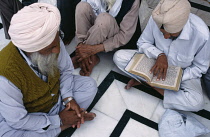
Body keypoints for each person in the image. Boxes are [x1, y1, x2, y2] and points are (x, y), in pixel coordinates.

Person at [0, 3, 97, 137]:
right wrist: (60, 120)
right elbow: (18, 121)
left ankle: (60, 123)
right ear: (32, 50)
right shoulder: (5, 74)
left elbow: (66, 71)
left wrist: (68, 99)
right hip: (30, 113)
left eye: (57, 43)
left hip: (55, 99)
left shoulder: (52, 39)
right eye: (50, 49)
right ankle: (66, 124)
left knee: (89, 86)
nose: (57, 50)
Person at [113, 0, 210, 112]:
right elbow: (143, 43)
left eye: (170, 34)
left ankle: (151, 85)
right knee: (119, 57)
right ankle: (161, 89)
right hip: (154, 63)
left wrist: (176, 78)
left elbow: (200, 67)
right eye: (162, 32)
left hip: (183, 72)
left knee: (196, 102)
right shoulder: (157, 19)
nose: (165, 37)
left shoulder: (202, 34)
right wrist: (159, 55)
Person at [72, 0, 141, 76]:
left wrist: (95, 49)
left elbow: (124, 36)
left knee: (104, 19)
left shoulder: (133, 2)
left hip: (112, 38)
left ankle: (86, 56)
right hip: (94, 28)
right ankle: (83, 52)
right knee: (82, 7)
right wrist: (80, 43)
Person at [0, 0, 80, 44]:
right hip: (35, 21)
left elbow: (77, 9)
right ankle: (18, 36)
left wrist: (70, 33)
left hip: (57, 26)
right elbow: (27, 3)